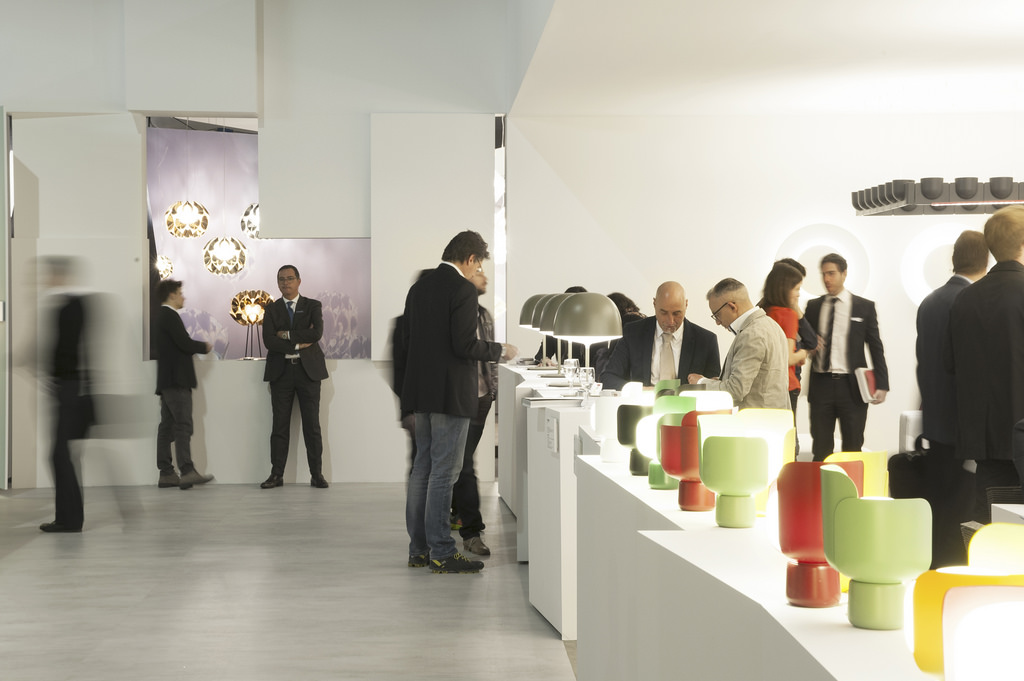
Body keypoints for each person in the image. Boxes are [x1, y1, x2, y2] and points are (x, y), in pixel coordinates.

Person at [401, 230, 517, 574]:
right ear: (469, 259)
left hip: (421, 392)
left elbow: (410, 341)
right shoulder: (463, 289)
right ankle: (442, 551)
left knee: (422, 469)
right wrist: (500, 350)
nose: (477, 271)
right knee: (444, 473)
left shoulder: (419, 288)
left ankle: (418, 550)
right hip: (451, 394)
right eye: (477, 265)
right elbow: (464, 345)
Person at [916, 230, 987, 564]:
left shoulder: (930, 302)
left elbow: (924, 364)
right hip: (964, 425)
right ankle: (949, 570)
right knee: (961, 509)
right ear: (986, 259)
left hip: (935, 421)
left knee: (937, 504)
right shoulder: (973, 301)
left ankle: (931, 567)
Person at [948, 207, 1024, 522]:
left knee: (988, 521)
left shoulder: (965, 298)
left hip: (983, 437)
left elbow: (951, 364)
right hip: (1021, 433)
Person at [804, 253, 889, 461]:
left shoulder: (864, 307)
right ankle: (821, 482)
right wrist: (808, 346)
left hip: (852, 387)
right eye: (823, 274)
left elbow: (875, 346)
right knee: (821, 448)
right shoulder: (813, 307)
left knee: (853, 447)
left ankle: (850, 483)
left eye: (831, 273)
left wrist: (882, 383)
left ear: (844, 274)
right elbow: (801, 340)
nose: (826, 279)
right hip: (821, 384)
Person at [260, 265, 330, 489]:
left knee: (312, 426)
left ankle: (317, 475)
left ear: (299, 281)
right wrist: (299, 343)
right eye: (281, 279)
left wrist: (287, 335)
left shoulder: (312, 305)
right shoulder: (271, 309)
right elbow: (269, 341)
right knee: (279, 426)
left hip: (308, 372)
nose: (285, 283)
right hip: (281, 373)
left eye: (290, 278)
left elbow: (316, 333)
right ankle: (276, 475)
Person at [39, 257, 90, 533]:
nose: (46, 280)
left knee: (59, 454)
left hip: (68, 388)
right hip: (67, 387)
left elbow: (67, 350)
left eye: (49, 275)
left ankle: (70, 520)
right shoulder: (70, 306)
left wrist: (56, 376)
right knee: (60, 454)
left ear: (59, 276)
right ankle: (67, 518)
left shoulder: (71, 307)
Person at [450, 267, 498, 557]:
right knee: (464, 463)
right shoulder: (457, 313)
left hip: (481, 398)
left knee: (463, 461)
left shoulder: (484, 315)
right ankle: (471, 529)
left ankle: (459, 515)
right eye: (478, 271)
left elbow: (489, 360)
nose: (485, 277)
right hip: (460, 398)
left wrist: (492, 391)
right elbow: (470, 349)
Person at [688, 278, 789, 410]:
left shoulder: (751, 334)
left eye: (717, 315)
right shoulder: (772, 326)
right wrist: (721, 381)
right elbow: (760, 380)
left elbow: (736, 390)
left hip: (757, 419)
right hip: (776, 416)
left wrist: (700, 382)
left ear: (732, 306)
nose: (717, 322)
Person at [602, 281, 720, 391]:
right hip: (642, 402)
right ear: (654, 304)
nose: (670, 321)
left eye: (676, 313)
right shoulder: (633, 333)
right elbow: (608, 378)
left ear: (686, 305)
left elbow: (715, 387)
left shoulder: (706, 341)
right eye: (663, 312)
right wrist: (641, 390)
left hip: (687, 405)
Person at [154, 279, 214, 490]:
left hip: (167, 381)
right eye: (180, 293)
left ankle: (166, 473)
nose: (183, 297)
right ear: (172, 295)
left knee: (167, 426)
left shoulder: (161, 316)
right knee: (182, 426)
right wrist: (204, 346)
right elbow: (184, 343)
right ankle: (187, 470)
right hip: (177, 381)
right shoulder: (169, 316)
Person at [758, 262, 809, 414]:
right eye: (797, 289)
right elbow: (786, 359)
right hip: (786, 385)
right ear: (784, 288)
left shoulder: (762, 312)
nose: (798, 294)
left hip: (764, 386)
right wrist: (802, 354)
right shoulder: (788, 315)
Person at [534, 285, 588, 365]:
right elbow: (540, 355)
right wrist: (545, 359)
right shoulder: (555, 328)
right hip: (564, 372)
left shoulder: (593, 331)